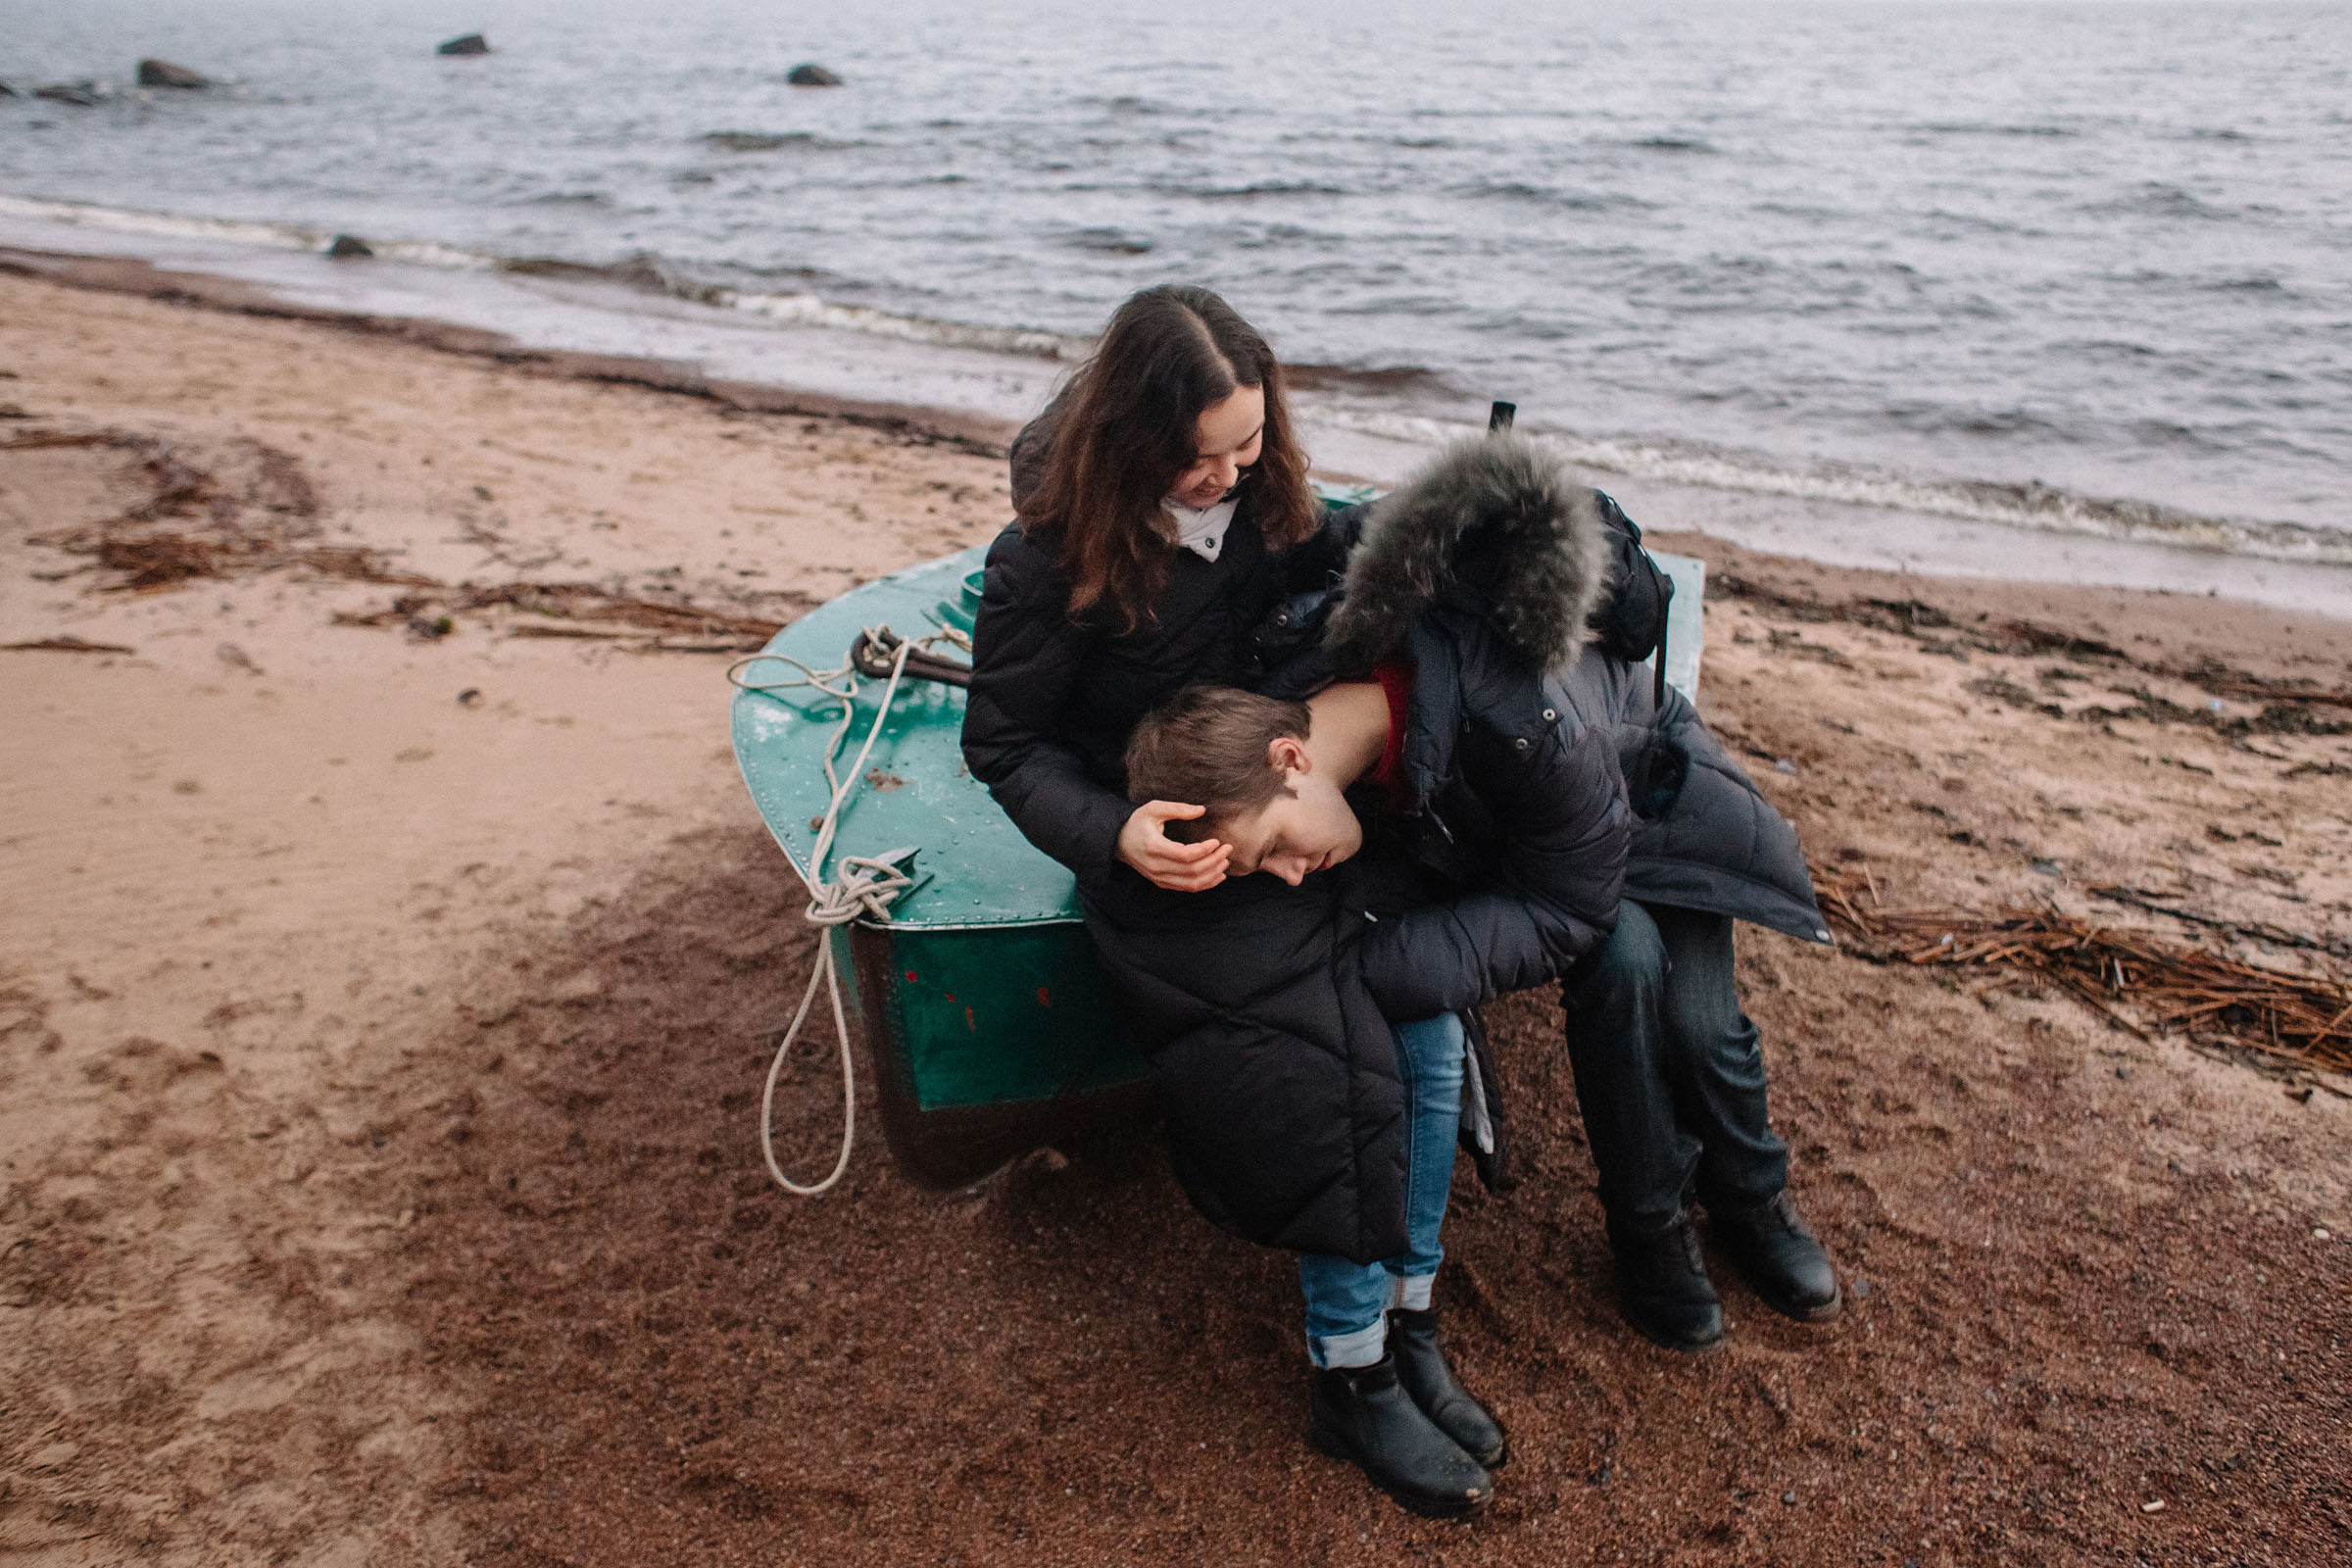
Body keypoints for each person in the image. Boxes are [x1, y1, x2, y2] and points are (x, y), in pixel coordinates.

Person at [1123, 432, 1843, 1364]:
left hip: (1641, 796)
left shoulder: (1514, 720)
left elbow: (1567, 908)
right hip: (1533, 838)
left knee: (1700, 1019)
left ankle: (1754, 1198)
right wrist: (1124, 827)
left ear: (1290, 759)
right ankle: (1650, 1230)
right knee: (1621, 972)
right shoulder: (1292, 690)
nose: (1292, 876)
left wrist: (1376, 973)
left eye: (1274, 852)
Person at [961, 282, 1353, 895]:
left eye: (1246, 440)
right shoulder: (1043, 561)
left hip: (1266, 772)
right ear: (1132, 440)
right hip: (1160, 821)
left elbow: (1329, 560)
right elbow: (1005, 743)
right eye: (1195, 457)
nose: (1226, 477)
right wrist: (1115, 833)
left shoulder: (1263, 487)